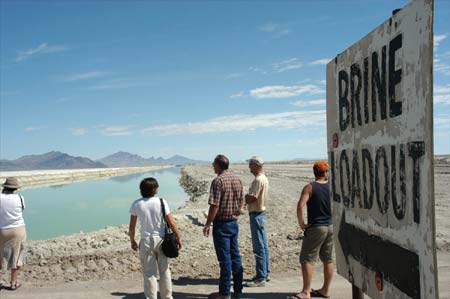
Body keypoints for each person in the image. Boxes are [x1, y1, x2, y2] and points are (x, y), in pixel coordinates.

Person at [129, 177, 182, 299]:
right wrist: (178, 236)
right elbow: (172, 222)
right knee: (165, 272)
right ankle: (167, 297)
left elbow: (132, 226)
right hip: (162, 240)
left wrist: (132, 240)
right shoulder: (162, 202)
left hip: (146, 241)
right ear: (155, 190)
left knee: (149, 274)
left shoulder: (137, 204)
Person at [289, 161, 333, 299]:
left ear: (314, 172)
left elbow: (300, 206)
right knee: (328, 259)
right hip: (330, 226)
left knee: (307, 259)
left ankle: (306, 291)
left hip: (317, 227)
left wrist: (302, 224)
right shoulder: (332, 187)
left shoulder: (310, 187)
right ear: (326, 172)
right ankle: (325, 290)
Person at [203, 154, 244, 299]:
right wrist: (235, 213)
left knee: (225, 260)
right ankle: (238, 290)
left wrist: (208, 224)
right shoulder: (237, 179)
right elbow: (241, 202)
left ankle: (224, 293)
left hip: (221, 224)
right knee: (235, 256)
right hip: (233, 223)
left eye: (214, 164)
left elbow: (214, 205)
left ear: (219, 165)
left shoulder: (218, 181)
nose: (212, 166)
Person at [244, 156, 270, 287]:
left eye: (250, 164)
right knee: (263, 245)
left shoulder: (259, 180)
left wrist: (244, 198)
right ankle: (265, 273)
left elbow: (252, 198)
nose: (249, 166)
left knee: (259, 247)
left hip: (257, 214)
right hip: (261, 214)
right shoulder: (263, 178)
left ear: (256, 165)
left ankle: (261, 277)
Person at [0, 177, 26, 291]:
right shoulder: (20, 198)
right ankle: (13, 283)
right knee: (17, 255)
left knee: (0, 255)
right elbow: (22, 210)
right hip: (18, 229)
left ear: (5, 187)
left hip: (2, 230)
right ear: (15, 188)